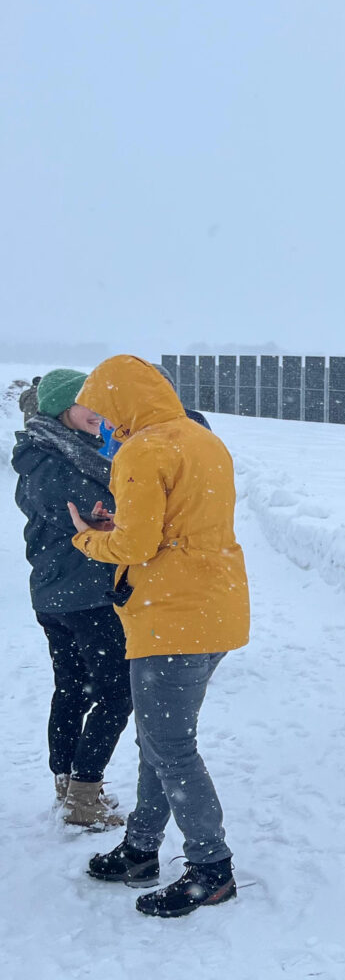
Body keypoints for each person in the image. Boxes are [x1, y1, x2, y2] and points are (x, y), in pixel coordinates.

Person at [67, 355, 250, 918]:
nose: (99, 424)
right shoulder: (200, 439)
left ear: (122, 400)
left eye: (102, 411)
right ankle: (142, 849)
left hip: (170, 617)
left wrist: (88, 539)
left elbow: (136, 546)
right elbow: (178, 522)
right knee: (159, 740)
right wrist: (122, 527)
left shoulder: (141, 450)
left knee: (170, 748)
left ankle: (211, 868)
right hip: (213, 611)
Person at [11, 369, 131, 825]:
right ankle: (84, 796)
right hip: (83, 595)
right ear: (63, 407)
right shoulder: (49, 460)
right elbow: (100, 512)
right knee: (117, 694)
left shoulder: (52, 452)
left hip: (61, 594)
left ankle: (69, 785)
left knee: (73, 689)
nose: (100, 414)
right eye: (90, 405)